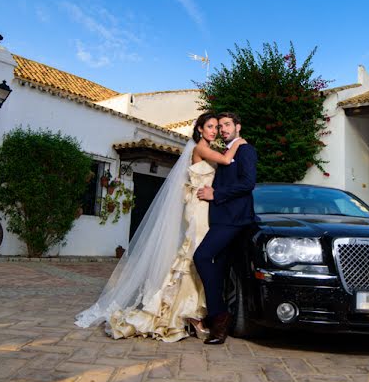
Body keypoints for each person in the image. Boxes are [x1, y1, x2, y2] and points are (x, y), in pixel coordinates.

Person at [74, 112, 245, 342]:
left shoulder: (209, 149)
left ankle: (194, 311)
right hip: (198, 209)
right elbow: (225, 161)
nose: (214, 131)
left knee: (198, 259)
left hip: (207, 208)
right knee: (194, 256)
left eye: (216, 127)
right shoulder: (200, 148)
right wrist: (239, 143)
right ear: (200, 129)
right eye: (210, 127)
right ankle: (190, 313)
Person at [193, 112, 258, 345]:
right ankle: (219, 325)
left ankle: (218, 315)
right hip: (219, 217)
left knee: (201, 256)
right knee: (218, 268)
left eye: (227, 125)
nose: (222, 129)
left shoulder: (245, 150)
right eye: (219, 126)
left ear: (238, 127)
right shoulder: (224, 152)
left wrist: (216, 194)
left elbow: (248, 183)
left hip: (235, 219)